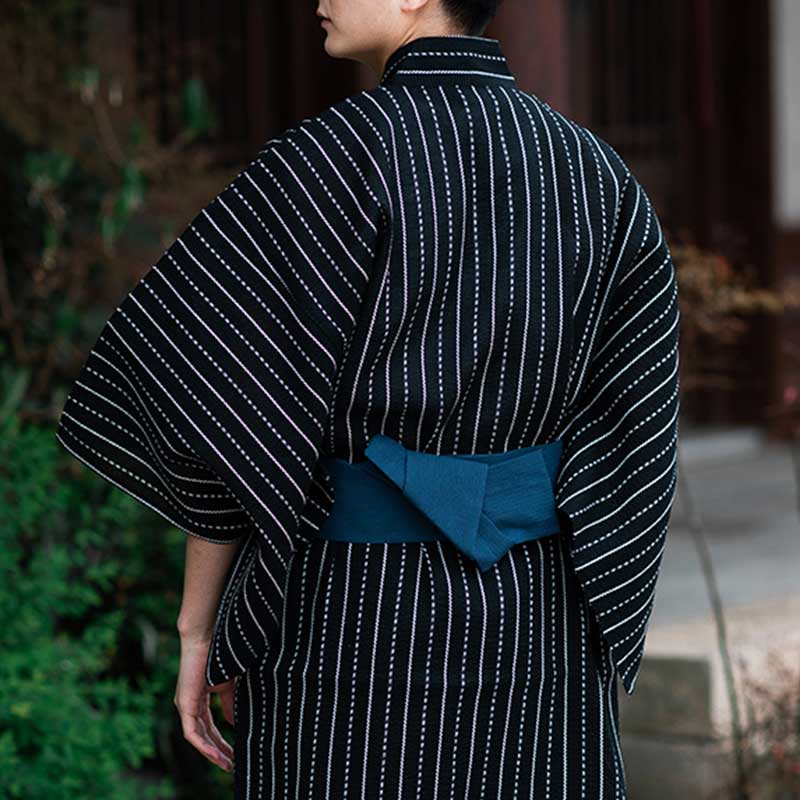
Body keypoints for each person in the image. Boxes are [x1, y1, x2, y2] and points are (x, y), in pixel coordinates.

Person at [54, 0, 681, 796]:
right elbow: (638, 422)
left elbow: (217, 405)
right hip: (540, 619)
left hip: (352, 615)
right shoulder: (597, 174)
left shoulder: (325, 161)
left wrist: (201, 629)